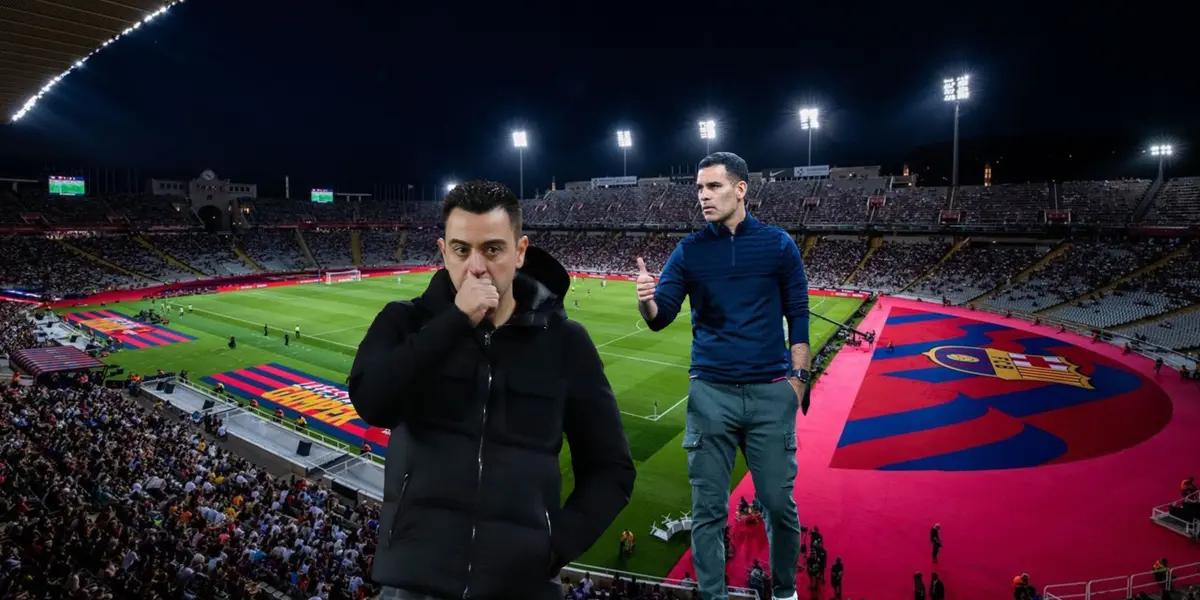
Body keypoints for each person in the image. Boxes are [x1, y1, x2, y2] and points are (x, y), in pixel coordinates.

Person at [349, 180, 635, 600]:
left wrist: (554, 546)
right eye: (462, 250)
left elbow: (612, 468)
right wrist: (453, 322)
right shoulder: (403, 322)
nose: (477, 267)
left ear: (520, 252)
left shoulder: (566, 342)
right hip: (415, 583)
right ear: (443, 250)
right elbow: (372, 402)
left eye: (494, 249)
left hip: (524, 586)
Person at [635, 152, 808, 600]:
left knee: (778, 505)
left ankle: (786, 591)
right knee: (706, 510)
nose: (703, 196)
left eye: (712, 187)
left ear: (740, 189)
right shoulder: (689, 250)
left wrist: (798, 382)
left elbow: (799, 318)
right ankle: (711, 595)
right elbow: (660, 316)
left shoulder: (778, 245)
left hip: (771, 393)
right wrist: (645, 300)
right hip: (710, 394)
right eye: (698, 188)